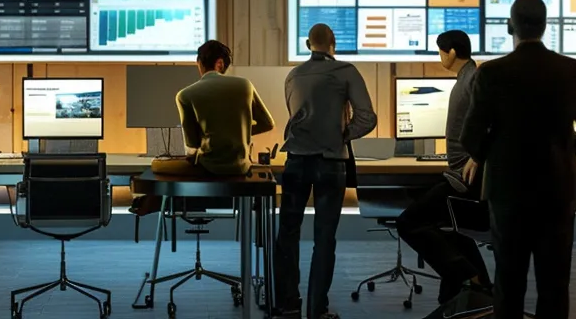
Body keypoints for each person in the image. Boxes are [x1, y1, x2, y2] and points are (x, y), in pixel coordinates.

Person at [458, 0, 576, 319]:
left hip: (508, 193)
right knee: (554, 286)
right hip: (557, 192)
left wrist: (494, 150)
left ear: (510, 26)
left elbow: (470, 138)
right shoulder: (573, 70)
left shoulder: (492, 73)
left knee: (508, 286)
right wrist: (564, 146)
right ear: (546, 25)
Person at [276, 23, 376, 319]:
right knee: (324, 239)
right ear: (333, 44)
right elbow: (367, 117)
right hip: (330, 164)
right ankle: (316, 310)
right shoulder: (346, 71)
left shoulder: (292, 75)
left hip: (294, 161)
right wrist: (342, 135)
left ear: (308, 44)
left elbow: (294, 116)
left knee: (287, 235)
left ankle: (287, 305)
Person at [397, 29, 490, 306]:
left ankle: (468, 277)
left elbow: (494, 120)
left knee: (409, 222)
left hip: (466, 178)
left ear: (450, 52)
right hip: (460, 173)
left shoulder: (473, 79)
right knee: (449, 227)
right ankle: (473, 287)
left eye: (440, 51)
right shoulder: (468, 77)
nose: (440, 57)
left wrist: (478, 155)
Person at [151, 40, 276, 176]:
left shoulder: (184, 95)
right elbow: (268, 124)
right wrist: (238, 132)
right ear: (221, 64)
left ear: (218, 63)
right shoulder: (245, 85)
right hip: (241, 168)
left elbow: (192, 142)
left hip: (208, 169)